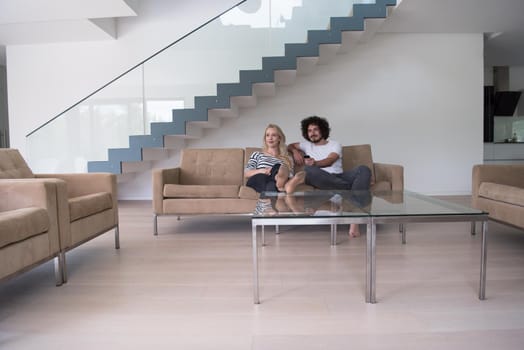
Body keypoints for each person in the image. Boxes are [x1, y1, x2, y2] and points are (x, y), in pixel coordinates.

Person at [288, 115, 371, 237]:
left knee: (363, 169)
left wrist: (315, 163)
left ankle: (354, 216)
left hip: (339, 177)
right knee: (309, 170)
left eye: (315, 129)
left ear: (323, 130)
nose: (312, 133)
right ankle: (352, 194)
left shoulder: (335, 144)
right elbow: (290, 145)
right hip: (320, 178)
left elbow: (330, 160)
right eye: (309, 131)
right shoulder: (306, 145)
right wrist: (295, 152)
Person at [245, 124, 305, 197]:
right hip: (259, 178)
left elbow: (290, 174)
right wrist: (262, 171)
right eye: (267, 135)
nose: (270, 138)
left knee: (276, 175)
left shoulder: (287, 157)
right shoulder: (257, 154)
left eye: (273, 135)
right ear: (265, 138)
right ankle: (282, 184)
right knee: (273, 170)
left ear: (279, 138)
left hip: (273, 184)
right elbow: (246, 173)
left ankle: (280, 183)